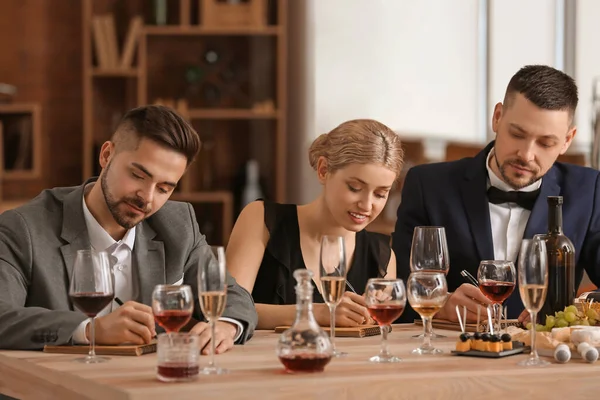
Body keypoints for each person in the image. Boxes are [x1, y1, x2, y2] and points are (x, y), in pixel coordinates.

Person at [0, 105, 257, 351]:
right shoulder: (24, 228)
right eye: (138, 176)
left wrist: (225, 326)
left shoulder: (178, 225)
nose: (147, 198)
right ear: (106, 155)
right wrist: (90, 330)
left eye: (164, 188)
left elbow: (235, 298)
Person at [393, 64, 600, 323]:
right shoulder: (428, 185)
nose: (526, 154)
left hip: (547, 357)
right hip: (454, 353)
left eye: (546, 143)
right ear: (497, 117)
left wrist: (578, 307)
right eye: (517, 134)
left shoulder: (589, 190)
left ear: (567, 140)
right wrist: (440, 303)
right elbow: (398, 287)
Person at [226, 119, 404, 329]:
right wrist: (315, 313)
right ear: (323, 170)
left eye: (380, 194)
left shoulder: (382, 256)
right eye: (355, 187)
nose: (366, 205)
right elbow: (227, 310)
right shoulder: (262, 220)